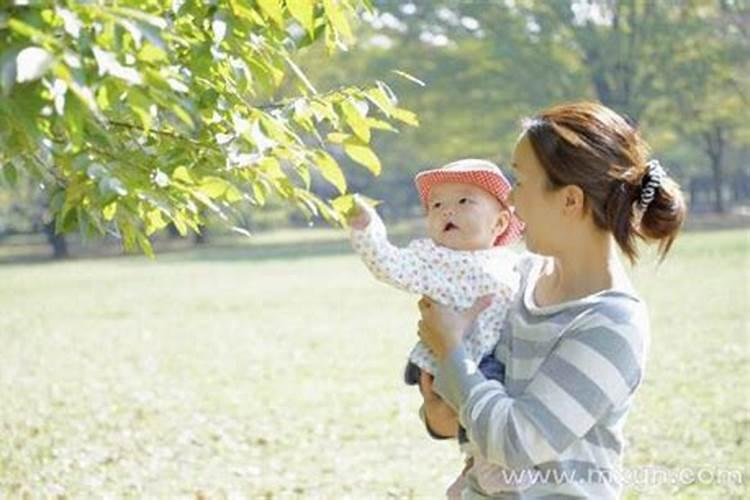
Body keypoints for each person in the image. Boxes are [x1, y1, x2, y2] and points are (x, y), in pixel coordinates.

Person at [416, 101, 686, 499]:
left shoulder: (612, 323)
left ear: (570, 200)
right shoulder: (516, 280)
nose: (509, 198)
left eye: (520, 181)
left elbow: (515, 442)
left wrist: (453, 351)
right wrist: (439, 409)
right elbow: (449, 414)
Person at [346, 159, 529, 490]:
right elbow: (388, 264)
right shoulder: (431, 259)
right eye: (437, 205)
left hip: (493, 358)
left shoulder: (515, 263)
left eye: (463, 202)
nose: (447, 211)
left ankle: (477, 469)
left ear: (500, 222)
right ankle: (481, 467)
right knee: (487, 414)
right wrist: (366, 228)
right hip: (449, 361)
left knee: (500, 407)